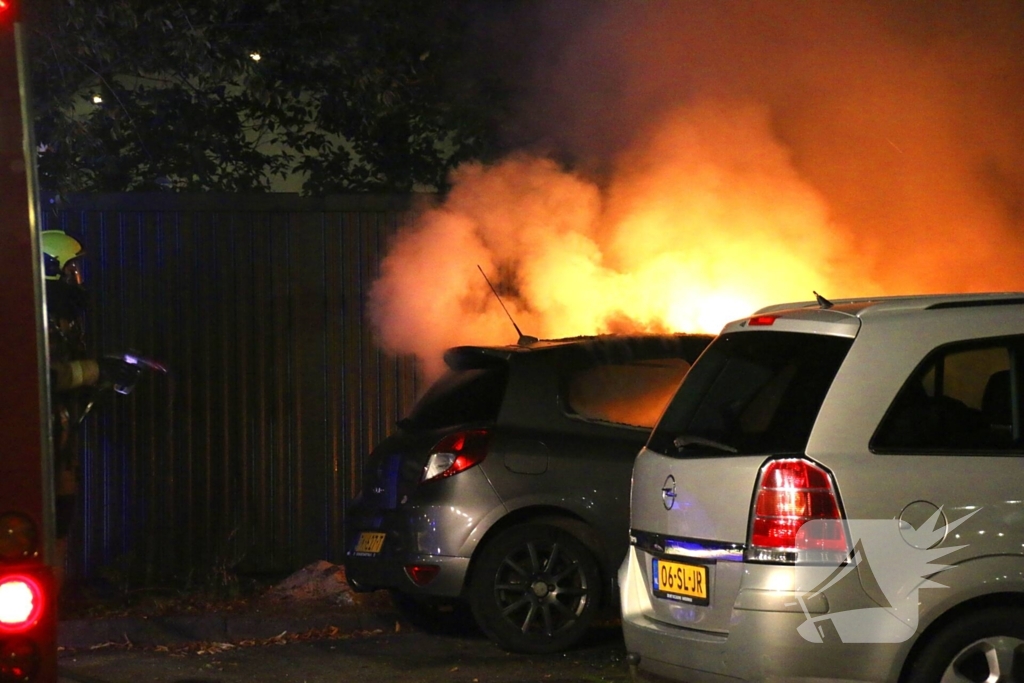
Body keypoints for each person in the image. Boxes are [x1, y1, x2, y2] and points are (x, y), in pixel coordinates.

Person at [42, 229, 141, 586]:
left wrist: (108, 373)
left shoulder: (62, 319)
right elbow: (41, 377)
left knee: (60, 520)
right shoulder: (29, 317)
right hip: (34, 446)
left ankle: (53, 601)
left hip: (59, 442)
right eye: (72, 270)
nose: (77, 278)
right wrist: (97, 370)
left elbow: (72, 375)